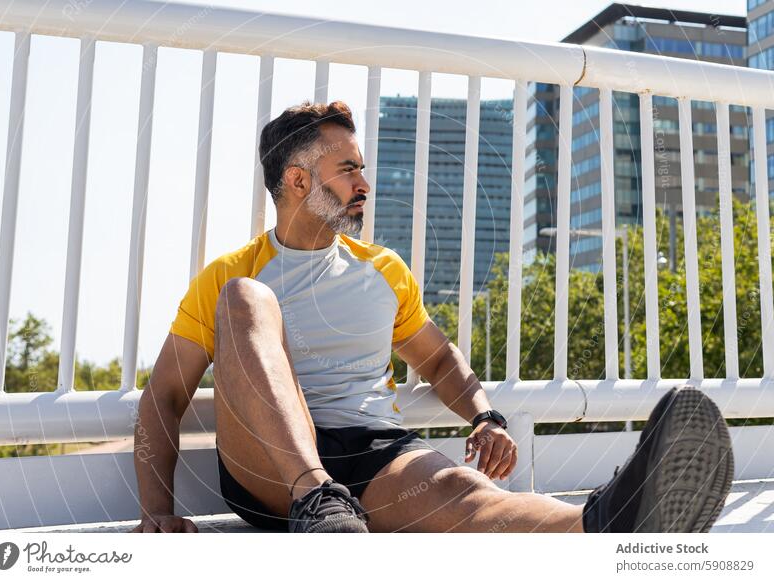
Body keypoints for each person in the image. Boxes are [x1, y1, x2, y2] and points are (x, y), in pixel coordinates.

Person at [130, 101, 733, 533]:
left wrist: (485, 414)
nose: (364, 183)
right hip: (269, 467)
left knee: (461, 491)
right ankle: (316, 499)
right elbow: (164, 395)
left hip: (371, 456)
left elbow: (440, 358)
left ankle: (608, 523)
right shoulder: (232, 275)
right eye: (348, 171)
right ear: (297, 180)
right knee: (245, 299)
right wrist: (156, 511)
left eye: (363, 167)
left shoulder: (383, 268)